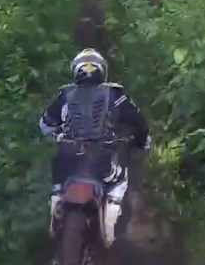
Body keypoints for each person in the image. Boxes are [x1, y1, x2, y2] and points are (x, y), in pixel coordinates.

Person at [38, 48, 150, 239]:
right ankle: (111, 227)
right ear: (102, 70)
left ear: (75, 71)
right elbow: (138, 122)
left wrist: (57, 134)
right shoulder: (116, 93)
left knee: (58, 179)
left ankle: (56, 205)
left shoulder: (64, 95)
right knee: (120, 182)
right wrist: (141, 142)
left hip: (68, 156)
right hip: (104, 157)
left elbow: (44, 125)